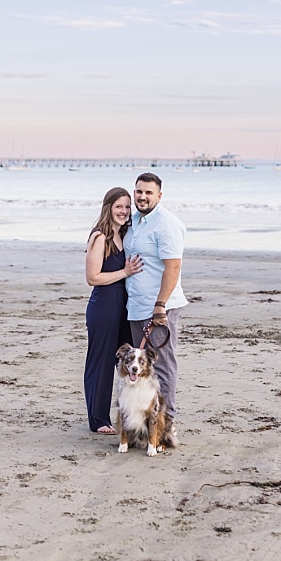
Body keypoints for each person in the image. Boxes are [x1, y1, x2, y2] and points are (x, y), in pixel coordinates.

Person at [124, 172, 187, 429]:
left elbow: (173, 267)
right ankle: (144, 422)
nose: (143, 196)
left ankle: (166, 423)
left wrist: (160, 305)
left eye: (149, 192)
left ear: (159, 196)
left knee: (162, 365)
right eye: (139, 191)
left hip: (160, 308)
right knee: (141, 370)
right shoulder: (135, 220)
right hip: (136, 306)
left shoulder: (166, 224)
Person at [84, 187, 143, 434]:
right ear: (108, 207)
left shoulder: (126, 234)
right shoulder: (100, 237)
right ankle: (98, 419)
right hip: (104, 305)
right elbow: (92, 277)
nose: (124, 211)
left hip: (124, 306)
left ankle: (129, 416)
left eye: (127, 207)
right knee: (100, 362)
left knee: (126, 360)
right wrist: (125, 272)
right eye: (119, 206)